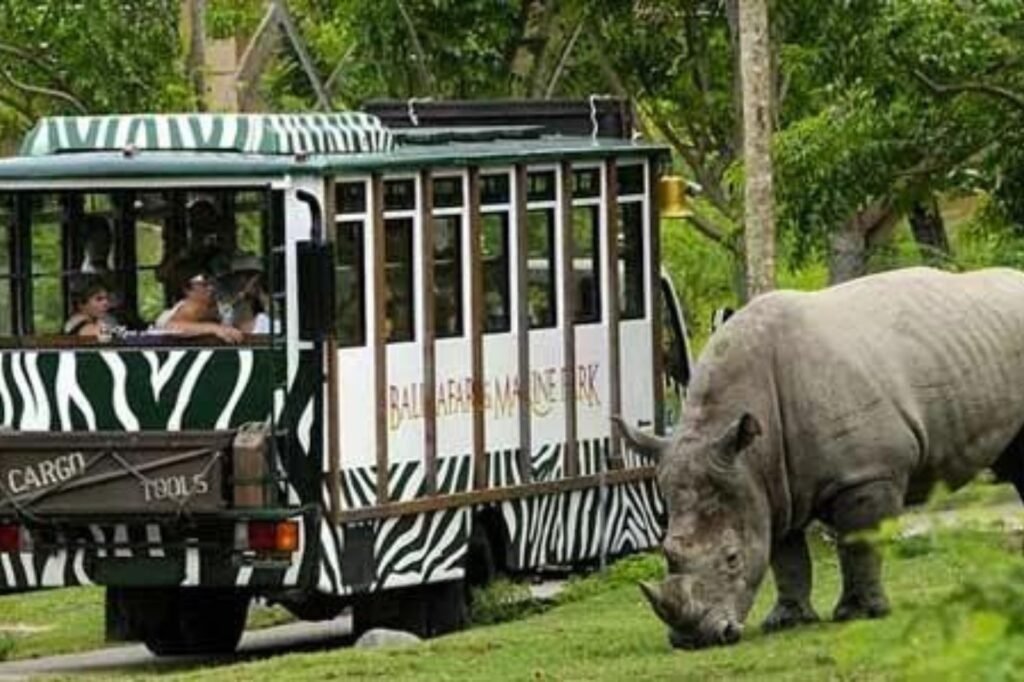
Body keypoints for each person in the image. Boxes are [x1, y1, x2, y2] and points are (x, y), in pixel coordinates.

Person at [153, 267, 244, 343]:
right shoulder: (190, 307)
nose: (211, 288)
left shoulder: (218, 306)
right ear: (187, 290)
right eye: (204, 285)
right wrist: (215, 329)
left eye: (211, 283)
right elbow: (173, 327)